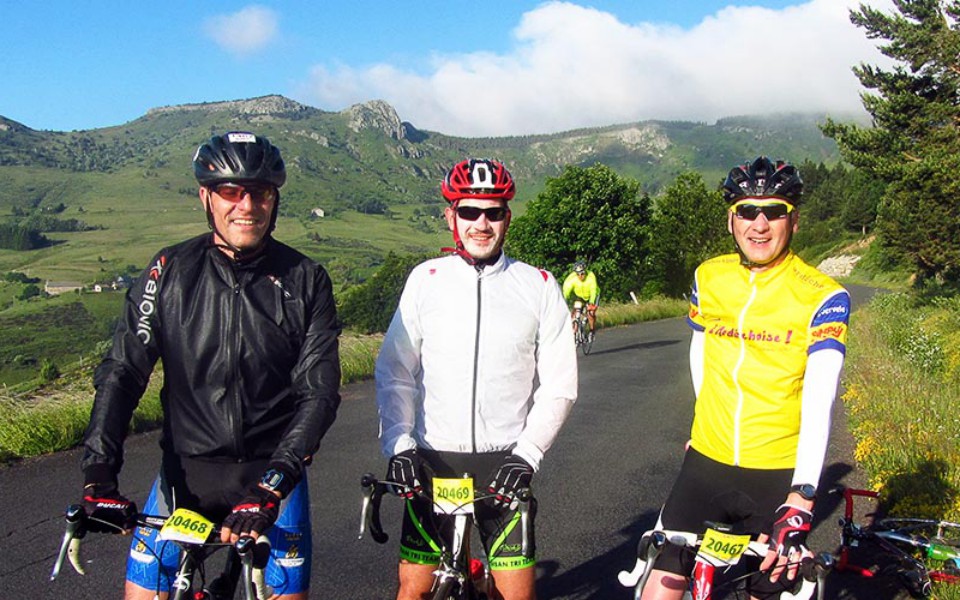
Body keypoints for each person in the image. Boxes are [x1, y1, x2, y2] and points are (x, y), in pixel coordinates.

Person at [79, 131, 342, 600]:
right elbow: (123, 371)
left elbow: (317, 393)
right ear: (206, 196)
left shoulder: (306, 280)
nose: (247, 205)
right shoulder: (168, 271)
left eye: (259, 192)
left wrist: (274, 484)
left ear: (274, 199)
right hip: (186, 476)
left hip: (271, 477)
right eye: (230, 192)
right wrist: (100, 474)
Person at [640, 157, 850, 600]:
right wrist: (701, 424)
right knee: (657, 586)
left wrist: (805, 493)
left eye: (773, 211)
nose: (759, 224)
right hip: (706, 465)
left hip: (775, 474)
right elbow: (700, 353)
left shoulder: (823, 295)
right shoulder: (708, 276)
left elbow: (819, 399)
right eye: (746, 211)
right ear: (730, 219)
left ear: (792, 219)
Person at [375, 158, 578, 600]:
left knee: (516, 595)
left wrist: (526, 455)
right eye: (469, 211)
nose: (481, 223)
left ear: (508, 216)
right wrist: (400, 445)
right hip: (432, 461)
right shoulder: (425, 280)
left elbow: (560, 384)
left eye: (494, 212)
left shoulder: (539, 285)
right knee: (413, 589)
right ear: (451, 216)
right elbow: (395, 370)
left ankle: (483, 578)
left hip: (504, 464)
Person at [561, 260, 600, 339]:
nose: (580, 276)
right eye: (578, 274)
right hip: (580, 296)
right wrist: (563, 302)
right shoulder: (571, 278)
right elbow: (566, 291)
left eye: (582, 273)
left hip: (593, 295)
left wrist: (591, 303)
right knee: (575, 311)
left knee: (591, 313)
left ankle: (592, 331)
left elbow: (593, 290)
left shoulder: (590, 276)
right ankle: (575, 329)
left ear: (585, 271)